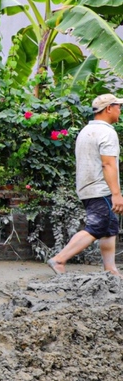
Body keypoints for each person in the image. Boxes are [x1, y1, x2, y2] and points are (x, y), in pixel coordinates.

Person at [48, 94, 123, 276]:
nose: (120, 111)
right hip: (101, 188)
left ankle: (110, 269)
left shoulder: (86, 131)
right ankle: (59, 259)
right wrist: (116, 193)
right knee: (97, 227)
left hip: (87, 187)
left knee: (109, 228)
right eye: (118, 107)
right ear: (108, 109)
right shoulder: (107, 132)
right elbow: (108, 164)